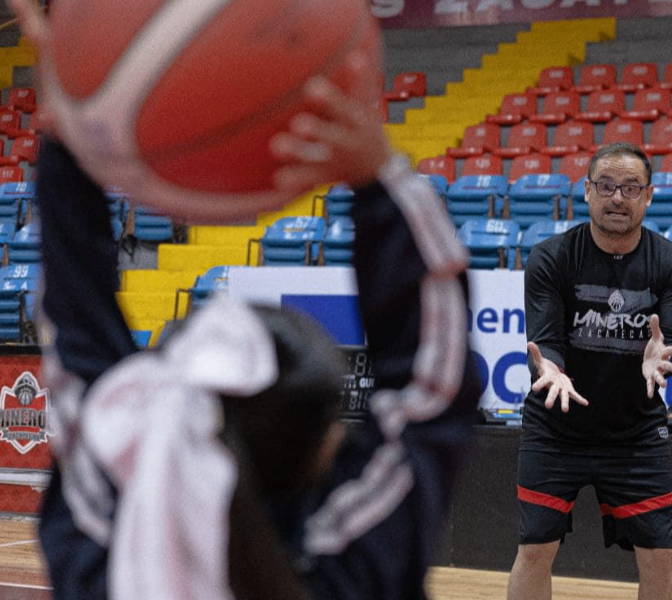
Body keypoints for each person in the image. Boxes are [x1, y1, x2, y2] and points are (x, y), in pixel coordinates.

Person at [10, 1, 481, 598]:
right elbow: (432, 385)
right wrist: (380, 178)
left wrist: (70, 127)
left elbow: (74, 328)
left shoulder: (103, 542)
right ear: (323, 450)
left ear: (154, 416)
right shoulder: (352, 569)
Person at [507, 142, 672, 600]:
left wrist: (664, 358)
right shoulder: (551, 257)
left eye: (631, 188)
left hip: (635, 432)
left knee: (659, 556)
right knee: (535, 548)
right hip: (555, 429)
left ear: (649, 196)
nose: (618, 197)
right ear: (588, 192)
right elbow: (547, 338)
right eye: (607, 186)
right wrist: (550, 369)